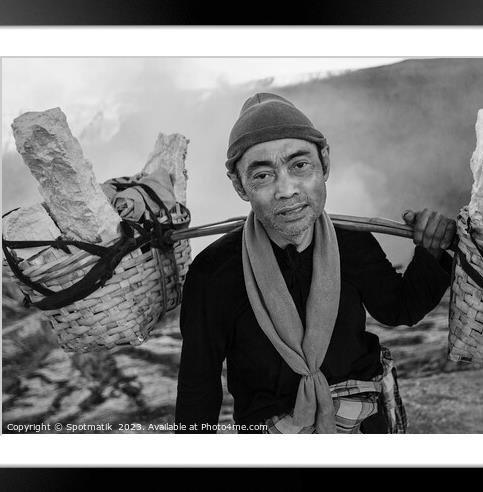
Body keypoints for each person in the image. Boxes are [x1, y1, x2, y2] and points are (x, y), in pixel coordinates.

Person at [174, 93, 456, 434]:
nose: (286, 190)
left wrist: (431, 251)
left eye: (300, 165)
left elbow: (399, 309)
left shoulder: (352, 243)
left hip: (365, 423)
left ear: (324, 163)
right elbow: (199, 384)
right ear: (239, 185)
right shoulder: (213, 272)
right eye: (262, 175)